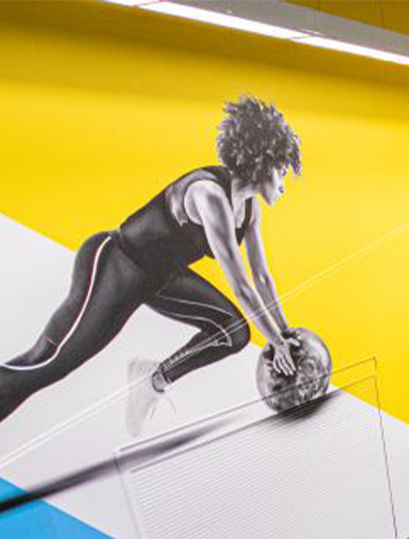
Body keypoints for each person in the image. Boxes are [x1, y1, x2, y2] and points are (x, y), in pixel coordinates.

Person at [0, 95, 301, 436]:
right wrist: (276, 342)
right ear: (261, 161)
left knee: (233, 332)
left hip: (160, 279)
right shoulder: (209, 194)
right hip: (116, 264)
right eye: (281, 171)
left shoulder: (250, 209)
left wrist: (285, 333)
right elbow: (242, 285)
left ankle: (154, 380)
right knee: (49, 363)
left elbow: (261, 277)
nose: (284, 184)